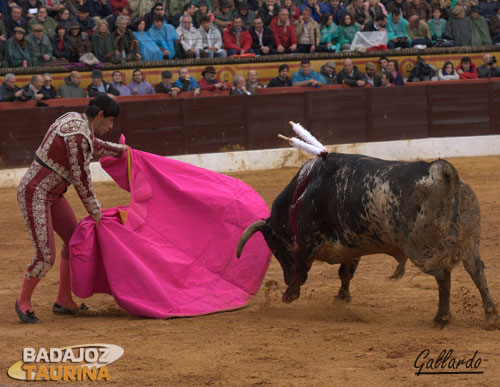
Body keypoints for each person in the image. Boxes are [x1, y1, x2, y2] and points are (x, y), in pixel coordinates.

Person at [15, 94, 127, 324]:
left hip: (52, 195)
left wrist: (121, 150)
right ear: (99, 116)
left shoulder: (75, 120)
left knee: (74, 239)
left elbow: (94, 145)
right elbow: (81, 179)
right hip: (35, 194)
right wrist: (96, 213)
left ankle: (64, 299)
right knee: (45, 255)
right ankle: (23, 301)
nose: (110, 127)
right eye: (110, 121)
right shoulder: (78, 135)